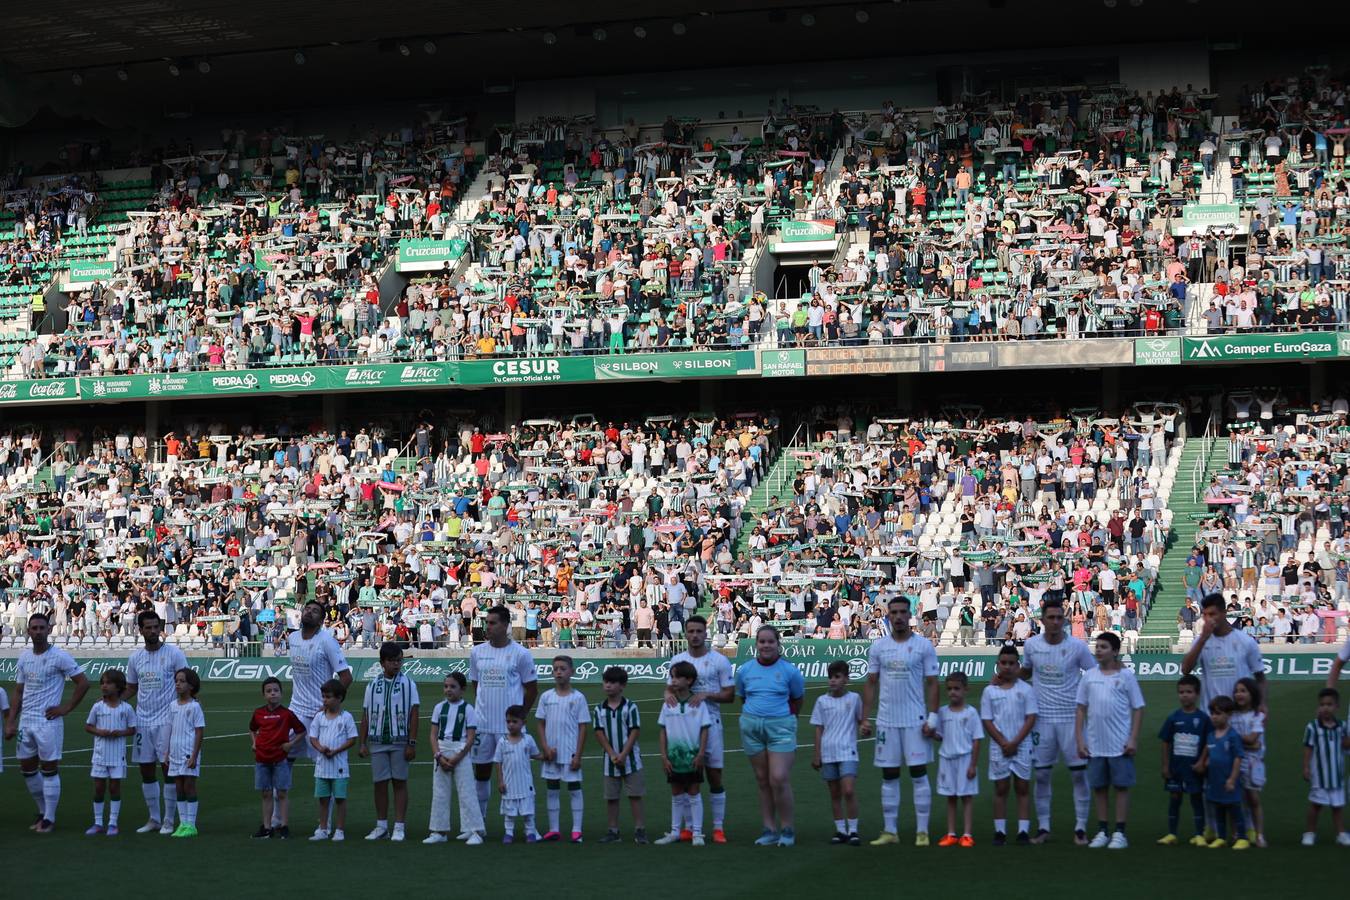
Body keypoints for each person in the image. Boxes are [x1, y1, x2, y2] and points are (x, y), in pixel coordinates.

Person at [861, 595, 939, 847]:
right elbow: (871, 682)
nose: (897, 616)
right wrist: (864, 718)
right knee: (889, 775)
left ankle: (922, 832)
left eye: (902, 612)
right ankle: (890, 830)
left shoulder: (924, 646)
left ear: (909, 615)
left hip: (915, 720)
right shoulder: (879, 647)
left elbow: (933, 683)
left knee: (918, 774)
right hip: (886, 721)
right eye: (892, 612)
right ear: (888, 615)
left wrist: (933, 717)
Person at [5, 611, 90, 833]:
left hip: (48, 722)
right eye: (34, 628)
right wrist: (11, 721)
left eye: (42, 628)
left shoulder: (60, 656)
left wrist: (66, 707)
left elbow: (83, 682)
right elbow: (19, 691)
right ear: (28, 631)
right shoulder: (24, 657)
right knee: (27, 768)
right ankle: (43, 811)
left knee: (49, 768)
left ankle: (49, 818)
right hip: (26, 722)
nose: (38, 632)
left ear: (49, 630)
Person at [1020, 597, 1096, 843]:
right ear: (1042, 620)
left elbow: (1093, 675)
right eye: (1050, 618)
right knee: (1041, 774)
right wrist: (1004, 680)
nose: (1054, 622)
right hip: (1042, 720)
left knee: (1078, 774)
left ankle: (1081, 828)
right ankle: (1043, 827)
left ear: (1064, 620)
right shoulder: (1031, 646)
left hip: (1071, 720)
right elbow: (1027, 671)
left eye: (1058, 618)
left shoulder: (1078, 647)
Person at [664, 615, 735, 842]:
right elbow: (669, 689)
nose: (694, 635)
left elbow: (730, 694)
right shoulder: (677, 660)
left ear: (706, 634)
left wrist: (706, 695)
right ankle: (688, 827)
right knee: (684, 777)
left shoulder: (719, 661)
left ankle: (718, 827)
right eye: (691, 631)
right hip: (683, 727)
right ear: (686, 633)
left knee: (714, 775)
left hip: (710, 723)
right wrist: (668, 696)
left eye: (699, 631)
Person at [734, 624, 806, 847]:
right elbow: (743, 697)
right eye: (762, 641)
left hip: (781, 727)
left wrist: (782, 718)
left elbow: (798, 700)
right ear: (756, 645)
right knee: (762, 780)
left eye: (770, 641)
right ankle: (769, 829)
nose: (766, 645)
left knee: (779, 778)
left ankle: (787, 829)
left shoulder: (789, 671)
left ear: (778, 644)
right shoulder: (744, 670)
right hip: (752, 727)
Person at [285, 600, 353, 831]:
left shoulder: (327, 641)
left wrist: (328, 708)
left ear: (322, 620)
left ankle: (325, 825)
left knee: (325, 769)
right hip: (295, 711)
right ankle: (276, 821)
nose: (310, 613)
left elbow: (346, 677)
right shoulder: (292, 639)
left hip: (319, 714)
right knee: (282, 760)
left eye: (315, 611)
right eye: (307, 609)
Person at [470, 605, 539, 830]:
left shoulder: (521, 654)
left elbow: (531, 689)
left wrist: (521, 717)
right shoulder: (477, 652)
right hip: (482, 725)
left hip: (509, 728)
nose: (487, 627)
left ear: (505, 625)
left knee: (518, 776)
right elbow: (475, 685)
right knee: (481, 773)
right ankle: (478, 824)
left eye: (492, 623)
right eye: (486, 623)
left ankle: (528, 826)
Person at [1075, 632, 1145, 850]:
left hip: (1120, 744)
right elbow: (1080, 708)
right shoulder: (1089, 676)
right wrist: (1080, 739)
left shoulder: (1126, 676)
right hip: (1096, 744)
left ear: (1115, 651)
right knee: (1100, 788)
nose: (1098, 650)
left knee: (1121, 787)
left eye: (1104, 647)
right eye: (1097, 646)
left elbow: (1139, 707)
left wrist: (1133, 738)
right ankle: (1103, 830)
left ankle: (1120, 833)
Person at [125, 610, 189, 835]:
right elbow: (132, 687)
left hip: (167, 721)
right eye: (147, 627)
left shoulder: (174, 654)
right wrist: (113, 700)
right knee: (146, 771)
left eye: (155, 627)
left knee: (168, 771)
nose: (152, 631)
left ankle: (169, 820)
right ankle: (153, 818)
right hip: (142, 721)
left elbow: (186, 682)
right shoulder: (135, 658)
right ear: (140, 630)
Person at [359, 641, 420, 842]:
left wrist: (412, 742)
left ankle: (399, 826)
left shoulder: (408, 684)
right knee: (379, 784)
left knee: (400, 782)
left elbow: (414, 713)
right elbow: (366, 714)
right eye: (392, 661)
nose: (397, 664)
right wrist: (362, 742)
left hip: (400, 740)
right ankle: (381, 825)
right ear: (382, 663)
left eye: (399, 661)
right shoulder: (372, 684)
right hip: (377, 740)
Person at [982, 644, 1038, 845]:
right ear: (998, 665)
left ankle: (1023, 831)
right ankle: (1000, 831)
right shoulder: (990, 691)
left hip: (1021, 745)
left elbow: (1031, 718)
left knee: (1022, 788)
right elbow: (987, 720)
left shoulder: (1026, 689)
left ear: (1018, 665)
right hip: (999, 747)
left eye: (1011, 663)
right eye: (1003, 663)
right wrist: (1004, 742)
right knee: (1001, 789)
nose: (1007, 667)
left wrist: (1015, 742)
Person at [654, 660, 713, 846]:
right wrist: (664, 756)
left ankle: (697, 833)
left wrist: (701, 754)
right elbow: (662, 731)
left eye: (678, 676)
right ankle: (674, 832)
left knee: (694, 793)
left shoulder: (697, 704)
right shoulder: (668, 704)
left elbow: (705, 729)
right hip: (674, 758)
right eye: (672, 676)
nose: (674, 680)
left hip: (693, 756)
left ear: (689, 680)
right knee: (676, 793)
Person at [424, 672, 484, 846]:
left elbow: (471, 737)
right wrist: (438, 755)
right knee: (440, 793)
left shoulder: (468, 709)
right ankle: (439, 831)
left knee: (467, 792)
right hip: (442, 752)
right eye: (446, 686)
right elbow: (433, 734)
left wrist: (458, 757)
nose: (448, 690)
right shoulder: (438, 708)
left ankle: (475, 830)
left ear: (462, 689)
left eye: (452, 686)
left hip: (461, 752)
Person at [536, 655, 590, 842]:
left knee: (574, 788)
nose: (558, 672)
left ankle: (577, 830)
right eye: (556, 668)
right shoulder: (546, 697)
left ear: (571, 672)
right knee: (552, 789)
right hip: (551, 753)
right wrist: (545, 748)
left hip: (570, 753)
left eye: (562, 668)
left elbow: (583, 727)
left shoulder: (578, 698)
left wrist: (578, 755)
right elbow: (540, 724)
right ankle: (554, 829)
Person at [1181, 593, 1265, 711]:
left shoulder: (1245, 641)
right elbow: (1185, 669)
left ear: (1224, 613)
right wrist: (1203, 638)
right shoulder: (1200, 641)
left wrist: (1261, 704)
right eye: (1205, 615)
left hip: (1239, 715)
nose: (1208, 619)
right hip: (1210, 715)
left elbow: (1260, 677)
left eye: (1212, 614)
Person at [810, 660, 863, 846]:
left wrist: (865, 727)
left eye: (837, 677)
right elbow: (818, 728)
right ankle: (841, 830)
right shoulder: (822, 701)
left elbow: (860, 719)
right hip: (828, 752)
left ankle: (854, 829)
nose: (833, 681)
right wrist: (817, 754)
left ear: (846, 679)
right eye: (830, 677)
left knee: (848, 790)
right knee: (834, 794)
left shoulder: (854, 698)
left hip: (848, 751)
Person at [593, 666, 647, 844]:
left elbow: (635, 731)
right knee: (611, 797)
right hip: (611, 760)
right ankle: (613, 830)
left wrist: (623, 754)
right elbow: (599, 733)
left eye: (612, 682)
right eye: (606, 681)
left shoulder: (630, 707)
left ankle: (640, 829)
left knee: (635, 795)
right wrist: (612, 753)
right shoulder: (599, 709)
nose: (608, 685)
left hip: (631, 760)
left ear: (622, 686)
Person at [248, 676, 307, 839]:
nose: (272, 694)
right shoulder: (258, 713)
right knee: (266, 793)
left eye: (275, 691)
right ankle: (267, 827)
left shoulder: (287, 714)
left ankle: (284, 825)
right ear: (264, 695)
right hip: (262, 759)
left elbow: (301, 731)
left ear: (281, 694)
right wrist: (254, 743)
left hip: (280, 759)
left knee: (282, 793)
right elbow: (252, 728)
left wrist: (291, 744)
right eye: (269, 691)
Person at [1156, 674, 1210, 846]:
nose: (1185, 695)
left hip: (1194, 768)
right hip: (1176, 768)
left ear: (1197, 694)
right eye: (1181, 692)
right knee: (1175, 799)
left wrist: (1202, 762)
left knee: (1196, 799)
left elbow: (1209, 743)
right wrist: (1165, 766)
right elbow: (1165, 741)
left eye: (1189, 692)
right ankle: (1172, 833)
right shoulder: (1173, 717)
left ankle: (1199, 834)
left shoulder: (1203, 719)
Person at [83, 669, 136, 836]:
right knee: (99, 788)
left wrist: (119, 733)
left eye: (108, 683)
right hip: (99, 754)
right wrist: (99, 732)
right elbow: (88, 726)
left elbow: (132, 729)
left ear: (119, 686)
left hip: (117, 754)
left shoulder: (126, 708)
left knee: (114, 788)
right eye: (102, 683)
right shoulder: (97, 706)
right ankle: (98, 822)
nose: (104, 686)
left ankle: (113, 823)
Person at [308, 679, 358, 842]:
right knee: (323, 799)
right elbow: (313, 737)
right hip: (322, 766)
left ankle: (340, 830)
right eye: (323, 697)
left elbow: (352, 739)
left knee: (340, 799)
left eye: (328, 697)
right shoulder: (319, 717)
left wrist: (336, 751)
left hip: (339, 766)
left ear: (339, 698)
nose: (325, 700)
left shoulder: (346, 717)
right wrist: (320, 748)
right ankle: (323, 828)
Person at [935, 671, 981, 847]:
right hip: (946, 759)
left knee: (967, 797)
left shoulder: (971, 713)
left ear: (965, 689)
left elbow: (977, 740)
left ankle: (967, 834)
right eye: (949, 689)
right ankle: (951, 833)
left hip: (965, 759)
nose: (953, 692)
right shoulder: (942, 712)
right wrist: (931, 733)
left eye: (956, 688)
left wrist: (973, 765)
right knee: (951, 797)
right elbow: (940, 736)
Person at [1301, 687, 1350, 846]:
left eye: (1329, 704)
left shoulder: (1342, 727)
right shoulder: (1312, 727)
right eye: (1322, 704)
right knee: (1316, 805)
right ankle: (1309, 833)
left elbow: (1345, 744)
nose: (1325, 708)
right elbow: (1308, 748)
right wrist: (1306, 767)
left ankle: (1341, 834)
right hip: (1319, 775)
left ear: (1337, 707)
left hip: (1336, 774)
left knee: (1337, 806)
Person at [1197, 695, 1247, 849]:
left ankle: (1242, 837)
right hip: (1215, 779)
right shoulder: (1211, 736)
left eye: (1218, 714)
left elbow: (1238, 757)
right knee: (1218, 808)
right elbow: (1210, 753)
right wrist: (1203, 763)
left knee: (1235, 809)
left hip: (1229, 780)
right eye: (1212, 713)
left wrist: (1232, 779)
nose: (1214, 717)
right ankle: (1221, 837)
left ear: (1229, 714)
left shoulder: (1232, 736)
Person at [495, 704, 543, 843]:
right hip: (509, 783)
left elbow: (536, 755)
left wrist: (547, 755)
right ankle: (508, 833)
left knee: (528, 810)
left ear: (523, 723)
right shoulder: (502, 742)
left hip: (525, 783)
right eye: (508, 721)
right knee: (509, 812)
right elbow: (498, 762)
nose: (511, 725)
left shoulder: (528, 739)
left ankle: (530, 832)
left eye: (514, 721)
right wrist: (500, 781)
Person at [166, 668, 205, 838]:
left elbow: (199, 731)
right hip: (174, 751)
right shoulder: (172, 705)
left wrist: (195, 755)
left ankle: (191, 824)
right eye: (176, 681)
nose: (178, 684)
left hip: (189, 752)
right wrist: (166, 752)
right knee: (178, 787)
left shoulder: (195, 706)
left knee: (189, 786)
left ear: (191, 685)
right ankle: (182, 824)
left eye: (182, 681)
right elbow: (170, 729)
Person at [1230, 677, 1266, 847]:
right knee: (1234, 799)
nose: (1239, 694)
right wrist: (1248, 743)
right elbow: (1250, 741)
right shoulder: (1232, 715)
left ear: (1252, 694)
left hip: (1252, 763)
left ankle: (1259, 835)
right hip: (1235, 762)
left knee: (1253, 799)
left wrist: (1237, 740)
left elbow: (1253, 739)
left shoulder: (1257, 715)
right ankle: (1236, 833)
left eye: (1243, 691)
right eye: (1237, 691)